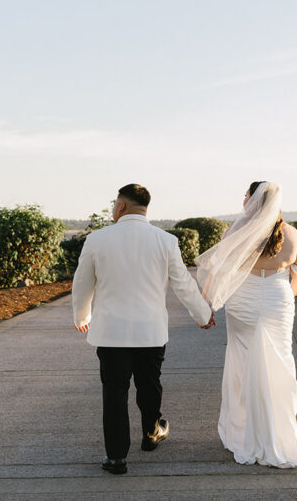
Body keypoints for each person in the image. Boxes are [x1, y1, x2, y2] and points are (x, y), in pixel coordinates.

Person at [72, 183, 216, 476]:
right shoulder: (165, 241)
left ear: (121, 206)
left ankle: (116, 458)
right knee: (149, 385)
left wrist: (82, 314)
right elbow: (183, 284)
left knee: (114, 393)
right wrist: (202, 314)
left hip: (111, 334)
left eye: (115, 203)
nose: (113, 208)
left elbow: (82, 284)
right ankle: (151, 432)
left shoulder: (97, 240)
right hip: (150, 333)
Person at [195, 181, 297, 468]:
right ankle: (278, 433)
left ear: (254, 201)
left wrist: (205, 303)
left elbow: (217, 272)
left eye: (246, 195)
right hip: (277, 303)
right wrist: (281, 292)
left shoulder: (236, 232)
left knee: (242, 363)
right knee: (279, 362)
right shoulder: (293, 235)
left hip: (242, 303)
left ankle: (242, 433)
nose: (244, 198)